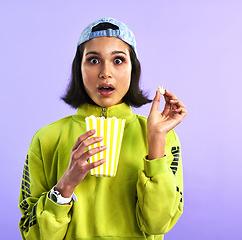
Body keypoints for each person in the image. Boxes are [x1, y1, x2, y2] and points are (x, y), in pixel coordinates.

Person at [18, 17, 187, 240]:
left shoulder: (162, 136)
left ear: (133, 69)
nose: (105, 72)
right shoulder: (46, 138)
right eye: (94, 60)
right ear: (79, 68)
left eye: (118, 60)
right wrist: (65, 185)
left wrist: (155, 142)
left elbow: (157, 225)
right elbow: (34, 235)